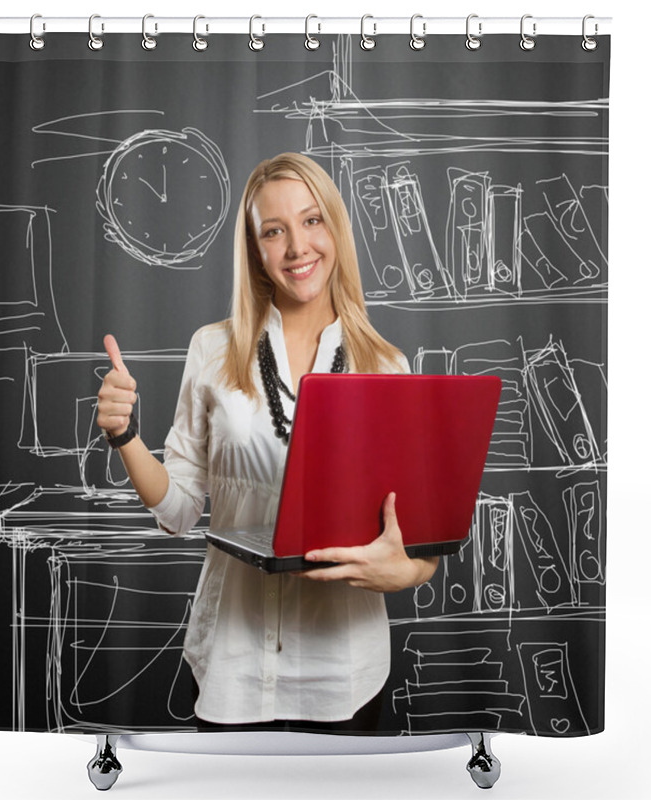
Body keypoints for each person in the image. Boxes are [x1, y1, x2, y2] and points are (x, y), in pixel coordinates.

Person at [96, 152, 439, 732]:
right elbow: (179, 511)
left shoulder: (387, 367)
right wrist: (125, 434)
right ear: (255, 250)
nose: (297, 248)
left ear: (334, 228)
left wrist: (403, 574)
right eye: (273, 231)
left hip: (345, 673)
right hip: (232, 667)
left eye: (311, 221)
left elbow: (421, 543)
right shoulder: (211, 348)